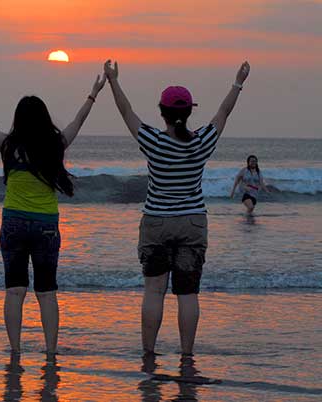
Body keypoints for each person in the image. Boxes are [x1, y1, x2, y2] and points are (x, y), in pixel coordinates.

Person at [0, 73, 106, 361]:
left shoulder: (8, 146)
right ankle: (51, 352)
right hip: (46, 225)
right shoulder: (55, 145)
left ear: (18, 119)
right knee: (47, 292)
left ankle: (15, 352)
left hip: (13, 223)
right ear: (45, 118)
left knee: (14, 291)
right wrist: (93, 93)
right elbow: (78, 121)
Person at [103, 59, 250, 359]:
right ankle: (186, 355)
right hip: (192, 222)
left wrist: (113, 81)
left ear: (162, 112)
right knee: (188, 293)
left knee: (154, 291)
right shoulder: (201, 142)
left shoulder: (153, 141)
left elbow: (126, 112)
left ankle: (148, 353)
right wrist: (238, 82)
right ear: (189, 112)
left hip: (157, 221)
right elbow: (223, 113)